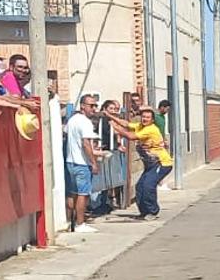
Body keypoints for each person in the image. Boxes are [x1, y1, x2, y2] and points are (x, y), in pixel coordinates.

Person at [106, 105, 173, 219]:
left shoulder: (150, 129)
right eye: (143, 117)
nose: (145, 119)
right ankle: (144, 212)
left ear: (152, 120)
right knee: (140, 187)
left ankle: (152, 211)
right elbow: (126, 124)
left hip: (162, 163)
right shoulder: (141, 126)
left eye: (147, 117)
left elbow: (130, 136)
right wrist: (110, 116)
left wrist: (115, 127)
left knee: (148, 186)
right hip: (151, 164)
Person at [65, 94, 100, 234]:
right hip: (81, 162)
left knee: (72, 193)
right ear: (83, 106)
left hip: (70, 161)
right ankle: (80, 223)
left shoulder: (72, 120)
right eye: (91, 105)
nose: (94, 108)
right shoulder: (85, 122)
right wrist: (93, 162)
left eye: (95, 105)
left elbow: (66, 133)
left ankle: (69, 222)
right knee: (83, 194)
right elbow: (86, 143)